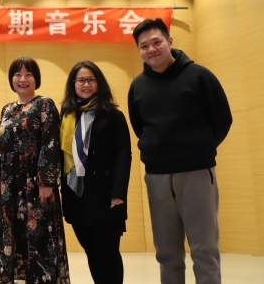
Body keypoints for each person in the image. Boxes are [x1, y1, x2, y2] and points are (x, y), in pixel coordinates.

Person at [128, 18, 232, 284]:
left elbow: (222, 119)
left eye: (156, 42)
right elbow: (140, 127)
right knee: (166, 252)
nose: (151, 49)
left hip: (196, 173)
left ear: (170, 41)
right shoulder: (138, 86)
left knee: (204, 249)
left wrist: (199, 150)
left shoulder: (199, 75)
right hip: (157, 177)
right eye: (144, 46)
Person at [0, 57, 71, 284]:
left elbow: (50, 143)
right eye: (17, 74)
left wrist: (46, 181)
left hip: (35, 183)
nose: (22, 79)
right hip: (8, 185)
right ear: (11, 79)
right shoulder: (7, 109)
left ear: (36, 79)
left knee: (39, 235)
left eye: (28, 74)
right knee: (12, 235)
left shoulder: (45, 104)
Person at [59, 60, 132, 284]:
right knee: (91, 251)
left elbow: (123, 154)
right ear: (73, 84)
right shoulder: (66, 116)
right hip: (77, 194)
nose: (86, 84)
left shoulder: (113, 115)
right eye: (81, 80)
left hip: (106, 196)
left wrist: (118, 192)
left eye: (91, 79)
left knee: (107, 252)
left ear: (99, 83)